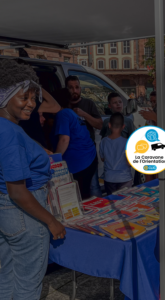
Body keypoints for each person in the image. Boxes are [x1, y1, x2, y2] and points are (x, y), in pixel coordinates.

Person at [0, 59, 66, 300]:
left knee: (7, 275)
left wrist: (35, 148)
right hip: (23, 213)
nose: (31, 103)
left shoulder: (6, 128)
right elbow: (17, 191)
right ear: (4, 97)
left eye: (33, 97)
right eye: (24, 97)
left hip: (6, 212)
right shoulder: (9, 132)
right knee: (28, 284)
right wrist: (51, 222)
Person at [51, 88, 97, 199]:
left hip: (79, 162)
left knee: (77, 197)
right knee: (85, 195)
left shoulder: (63, 114)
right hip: (89, 158)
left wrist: (53, 160)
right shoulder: (72, 113)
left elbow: (64, 139)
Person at [65, 75, 103, 197]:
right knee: (71, 190)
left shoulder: (88, 103)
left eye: (77, 87)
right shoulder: (63, 105)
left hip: (88, 155)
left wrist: (84, 114)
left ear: (80, 88)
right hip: (69, 155)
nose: (74, 91)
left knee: (93, 187)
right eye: (71, 88)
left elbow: (99, 125)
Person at [99, 112, 133, 195]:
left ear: (109, 125)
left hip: (109, 178)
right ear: (123, 127)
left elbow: (102, 159)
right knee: (125, 203)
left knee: (112, 202)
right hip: (125, 179)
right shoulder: (127, 143)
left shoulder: (103, 142)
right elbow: (129, 163)